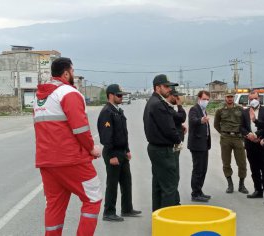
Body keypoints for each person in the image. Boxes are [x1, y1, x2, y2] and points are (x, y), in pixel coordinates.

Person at [33, 57, 102, 235]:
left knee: (55, 205)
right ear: (66, 73)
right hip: (71, 159)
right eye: (73, 71)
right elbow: (80, 128)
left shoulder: (40, 98)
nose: (73, 74)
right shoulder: (68, 93)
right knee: (93, 198)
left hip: (47, 162)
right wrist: (92, 149)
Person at [97, 84, 141, 222]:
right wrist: (111, 156)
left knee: (126, 181)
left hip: (122, 151)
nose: (122, 97)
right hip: (113, 153)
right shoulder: (107, 112)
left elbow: (123, 133)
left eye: (122, 95)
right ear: (110, 95)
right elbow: (106, 136)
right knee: (112, 183)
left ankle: (127, 209)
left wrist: (127, 150)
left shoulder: (118, 111)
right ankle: (108, 212)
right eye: (119, 95)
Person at [143, 74, 181, 211]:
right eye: (166, 86)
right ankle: (168, 224)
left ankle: (158, 218)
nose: (169, 89)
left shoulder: (154, 102)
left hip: (156, 148)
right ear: (157, 87)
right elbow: (169, 129)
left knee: (159, 185)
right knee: (169, 186)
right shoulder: (158, 104)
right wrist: (178, 140)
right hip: (163, 150)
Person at [240, 91, 264, 201]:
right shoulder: (244, 112)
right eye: (251, 99)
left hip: (262, 143)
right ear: (248, 100)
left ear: (259, 98)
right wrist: (248, 135)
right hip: (250, 144)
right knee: (254, 169)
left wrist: (257, 135)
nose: (253, 101)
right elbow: (241, 127)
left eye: (255, 98)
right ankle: (258, 190)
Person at [214, 91, 249, 194]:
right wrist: (223, 132)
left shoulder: (240, 109)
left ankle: (241, 185)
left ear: (233, 98)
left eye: (231, 97)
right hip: (225, 138)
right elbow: (216, 124)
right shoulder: (220, 110)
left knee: (242, 163)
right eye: (228, 97)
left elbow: (244, 123)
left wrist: (243, 135)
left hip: (238, 138)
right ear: (225, 98)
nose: (230, 99)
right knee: (226, 162)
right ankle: (230, 184)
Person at [187, 90, 212, 202]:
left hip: (204, 144)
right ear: (199, 99)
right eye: (204, 99)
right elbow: (193, 121)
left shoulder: (204, 110)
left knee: (203, 169)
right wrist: (201, 120)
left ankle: (199, 190)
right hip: (197, 144)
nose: (206, 101)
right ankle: (195, 193)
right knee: (198, 169)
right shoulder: (194, 109)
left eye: (207, 99)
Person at [165, 87, 187, 204]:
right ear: (172, 96)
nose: (179, 99)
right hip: (173, 145)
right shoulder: (168, 107)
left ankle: (175, 199)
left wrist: (179, 127)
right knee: (173, 174)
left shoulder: (169, 108)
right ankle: (174, 201)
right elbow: (182, 117)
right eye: (177, 97)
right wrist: (179, 105)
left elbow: (177, 121)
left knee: (174, 174)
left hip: (175, 144)